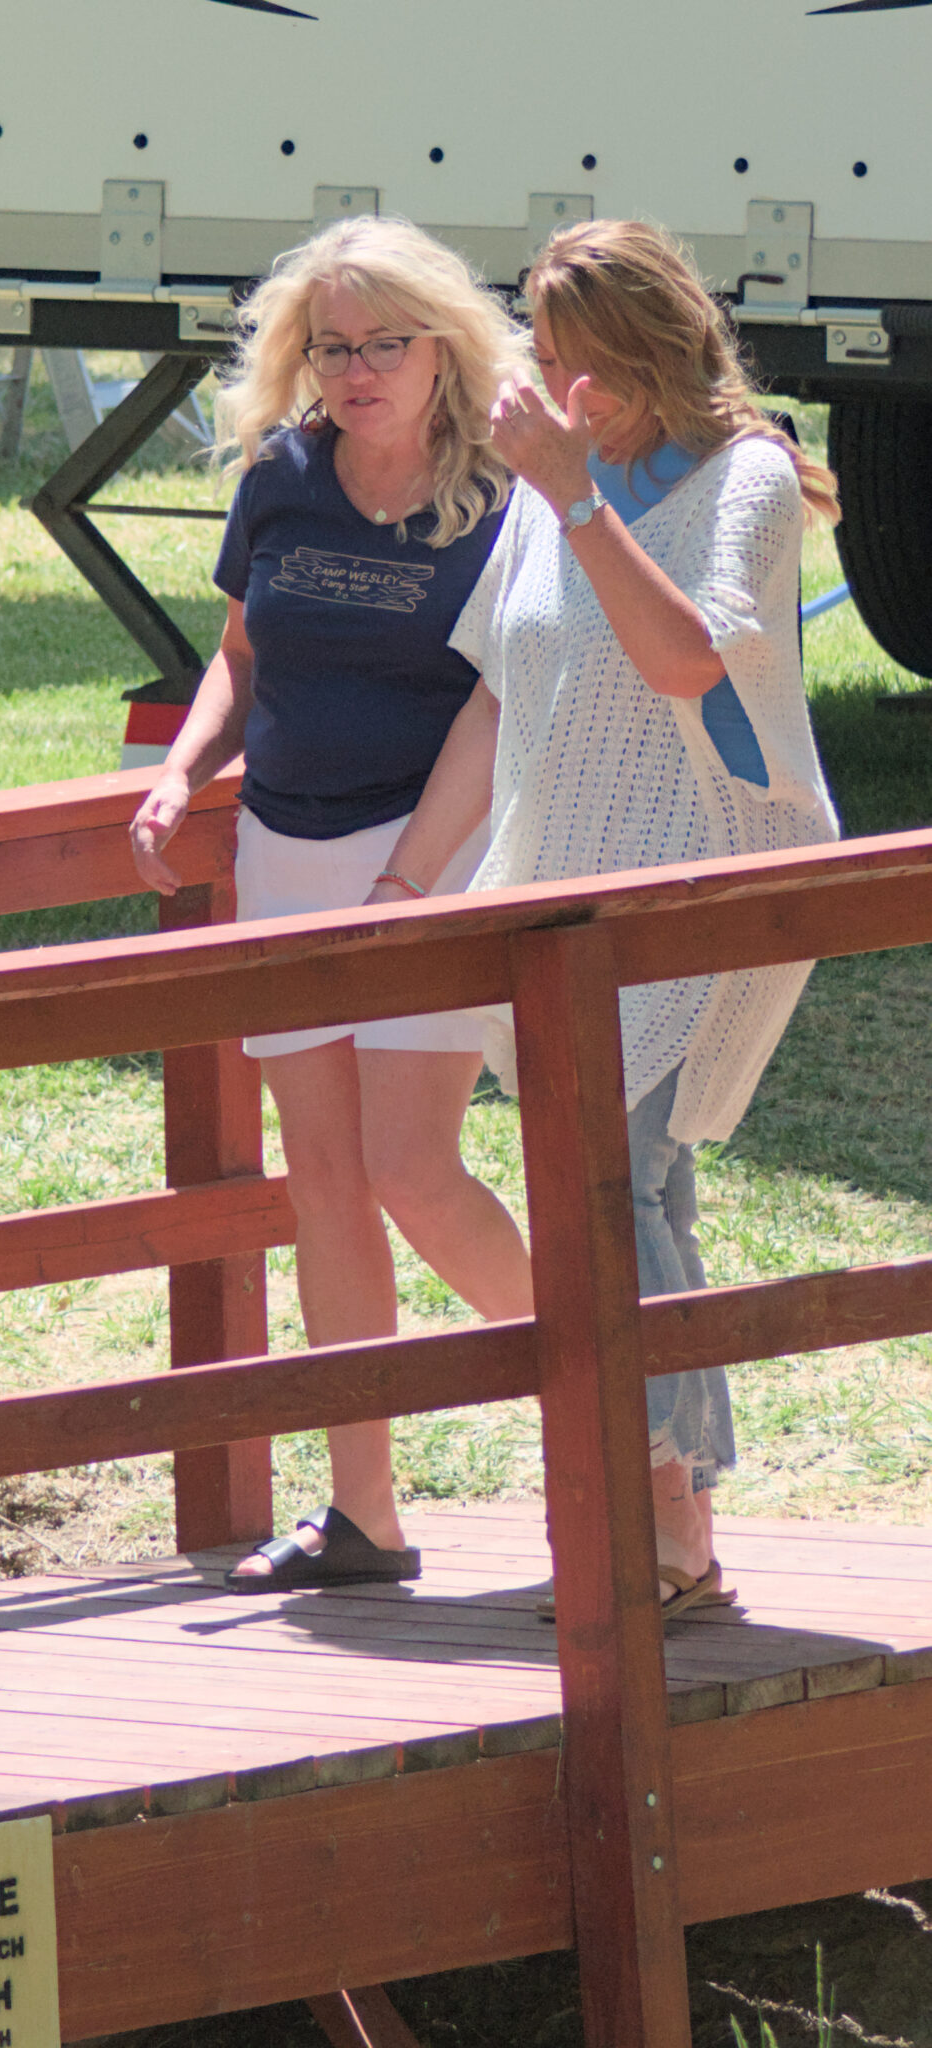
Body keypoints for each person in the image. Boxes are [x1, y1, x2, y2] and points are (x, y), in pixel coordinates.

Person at [371, 219, 841, 1615]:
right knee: (630, 1195)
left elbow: (689, 659)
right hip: (563, 898)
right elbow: (501, 687)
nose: (556, 387)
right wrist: (412, 877)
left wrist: (577, 497)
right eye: (546, 356)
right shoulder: (552, 475)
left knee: (617, 1194)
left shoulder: (739, 476)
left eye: (584, 364)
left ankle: (664, 1534)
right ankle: (676, 1524)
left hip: (701, 884)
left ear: (650, 357)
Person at [129, 216, 535, 1591]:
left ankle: (621, 1409)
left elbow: (501, 697)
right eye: (332, 347)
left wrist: (412, 875)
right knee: (322, 1189)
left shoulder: (500, 493)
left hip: (432, 854)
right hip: (285, 856)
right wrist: (182, 774)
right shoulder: (282, 478)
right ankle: (365, 1516)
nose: (357, 373)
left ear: (445, 347)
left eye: (385, 345)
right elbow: (241, 657)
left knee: (410, 1169)